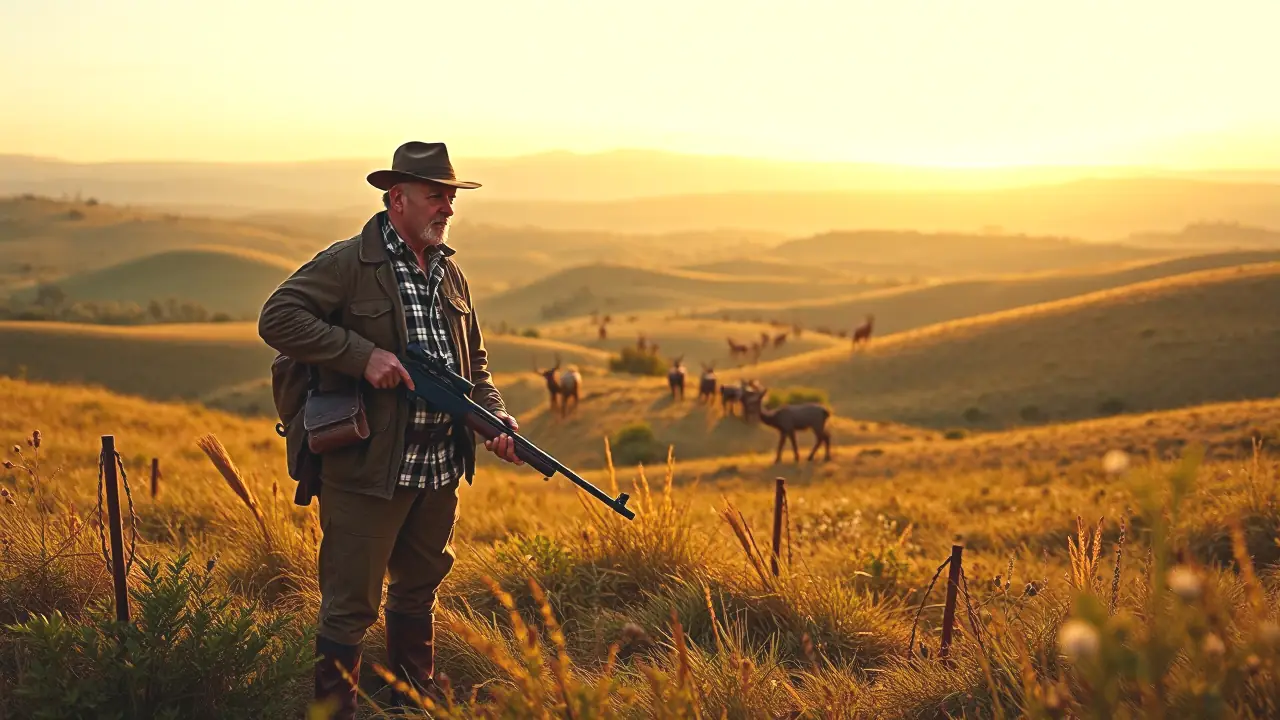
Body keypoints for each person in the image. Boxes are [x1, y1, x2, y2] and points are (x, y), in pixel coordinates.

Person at [258, 141, 522, 718]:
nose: (447, 209)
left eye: (451, 198)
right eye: (436, 197)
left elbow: (473, 364)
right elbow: (277, 318)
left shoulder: (450, 274)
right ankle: (335, 712)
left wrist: (495, 417)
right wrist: (361, 356)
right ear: (397, 198)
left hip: (438, 468)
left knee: (417, 588)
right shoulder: (350, 262)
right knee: (351, 604)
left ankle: (410, 698)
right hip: (368, 469)